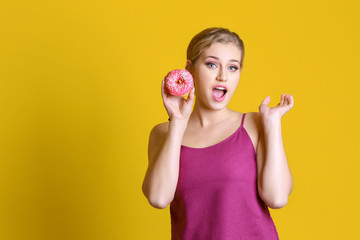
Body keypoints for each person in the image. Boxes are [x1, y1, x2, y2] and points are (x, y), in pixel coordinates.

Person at [142, 27, 294, 240]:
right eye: (212, 64)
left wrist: (272, 123)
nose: (223, 76)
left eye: (233, 68)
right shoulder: (163, 133)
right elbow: (158, 198)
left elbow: (277, 198)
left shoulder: (254, 124)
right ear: (189, 69)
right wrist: (177, 122)